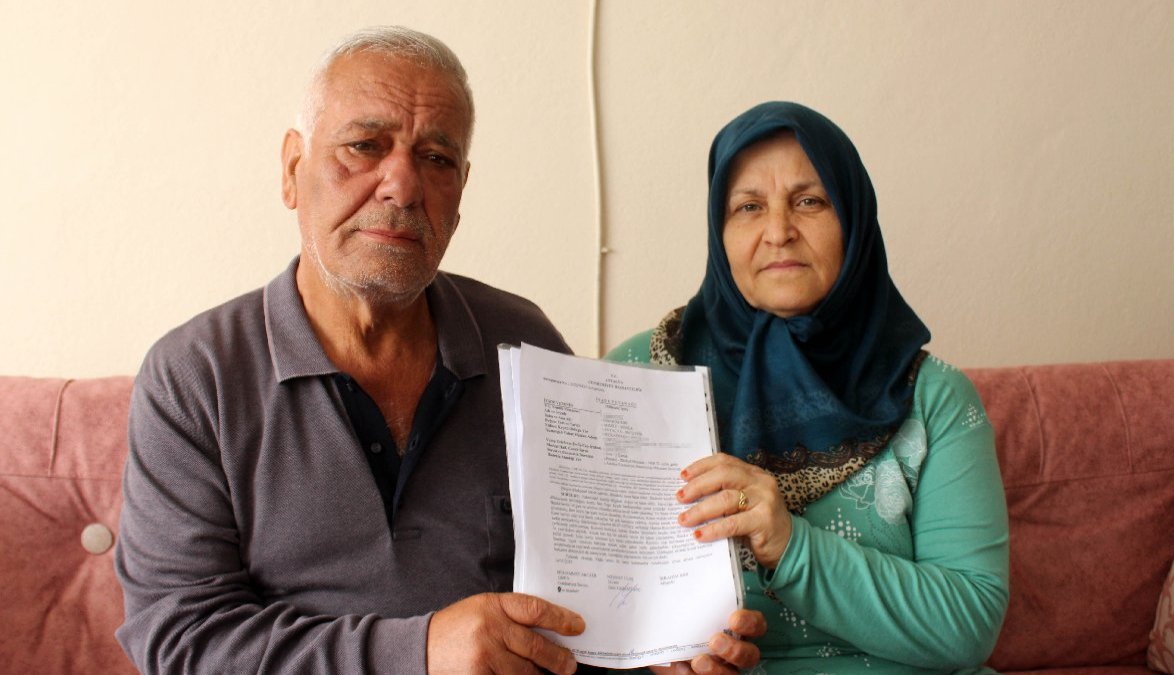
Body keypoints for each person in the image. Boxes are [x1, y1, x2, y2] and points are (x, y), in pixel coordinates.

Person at [114, 26, 763, 675]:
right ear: (292, 170)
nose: (402, 185)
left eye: (436, 158)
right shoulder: (195, 376)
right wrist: (419, 651)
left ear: (461, 190)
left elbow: (595, 600)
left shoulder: (523, 341)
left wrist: (656, 654)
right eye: (364, 146)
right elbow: (179, 640)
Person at [607, 101, 1010, 674]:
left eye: (810, 202)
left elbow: (970, 624)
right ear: (719, 231)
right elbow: (584, 586)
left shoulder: (932, 397)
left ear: (854, 218)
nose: (779, 232)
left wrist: (792, 545)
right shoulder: (635, 378)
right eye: (749, 207)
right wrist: (651, 660)